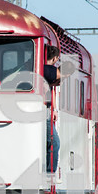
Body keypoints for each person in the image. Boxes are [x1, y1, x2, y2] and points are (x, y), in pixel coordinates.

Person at [43, 45, 63, 173]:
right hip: (42, 112)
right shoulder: (49, 70)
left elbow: (52, 89)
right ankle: (50, 174)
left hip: (46, 111)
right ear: (55, 58)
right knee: (54, 143)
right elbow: (58, 78)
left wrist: (54, 109)